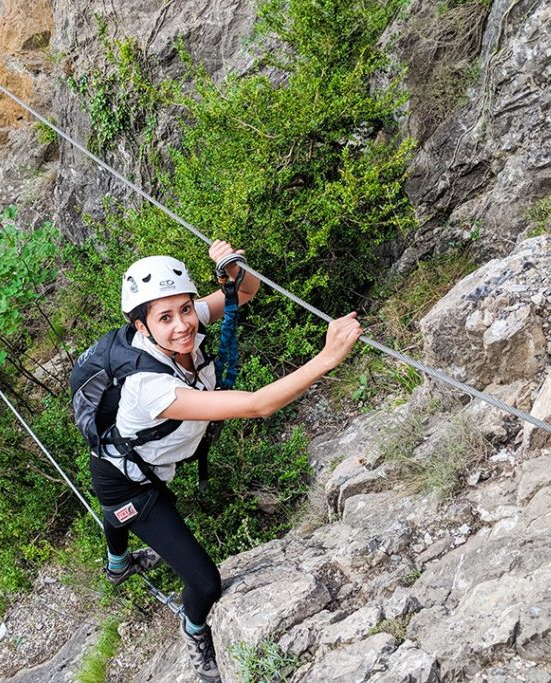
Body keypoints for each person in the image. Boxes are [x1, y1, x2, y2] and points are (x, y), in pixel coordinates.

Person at [90, 241, 362, 683]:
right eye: (166, 317)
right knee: (204, 582)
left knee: (122, 518)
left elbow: (247, 292)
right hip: (128, 483)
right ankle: (194, 629)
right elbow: (256, 405)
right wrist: (328, 357)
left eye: (185, 309)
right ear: (141, 327)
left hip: (147, 463)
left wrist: (233, 267)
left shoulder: (182, 324)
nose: (182, 324)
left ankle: (117, 563)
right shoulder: (147, 386)